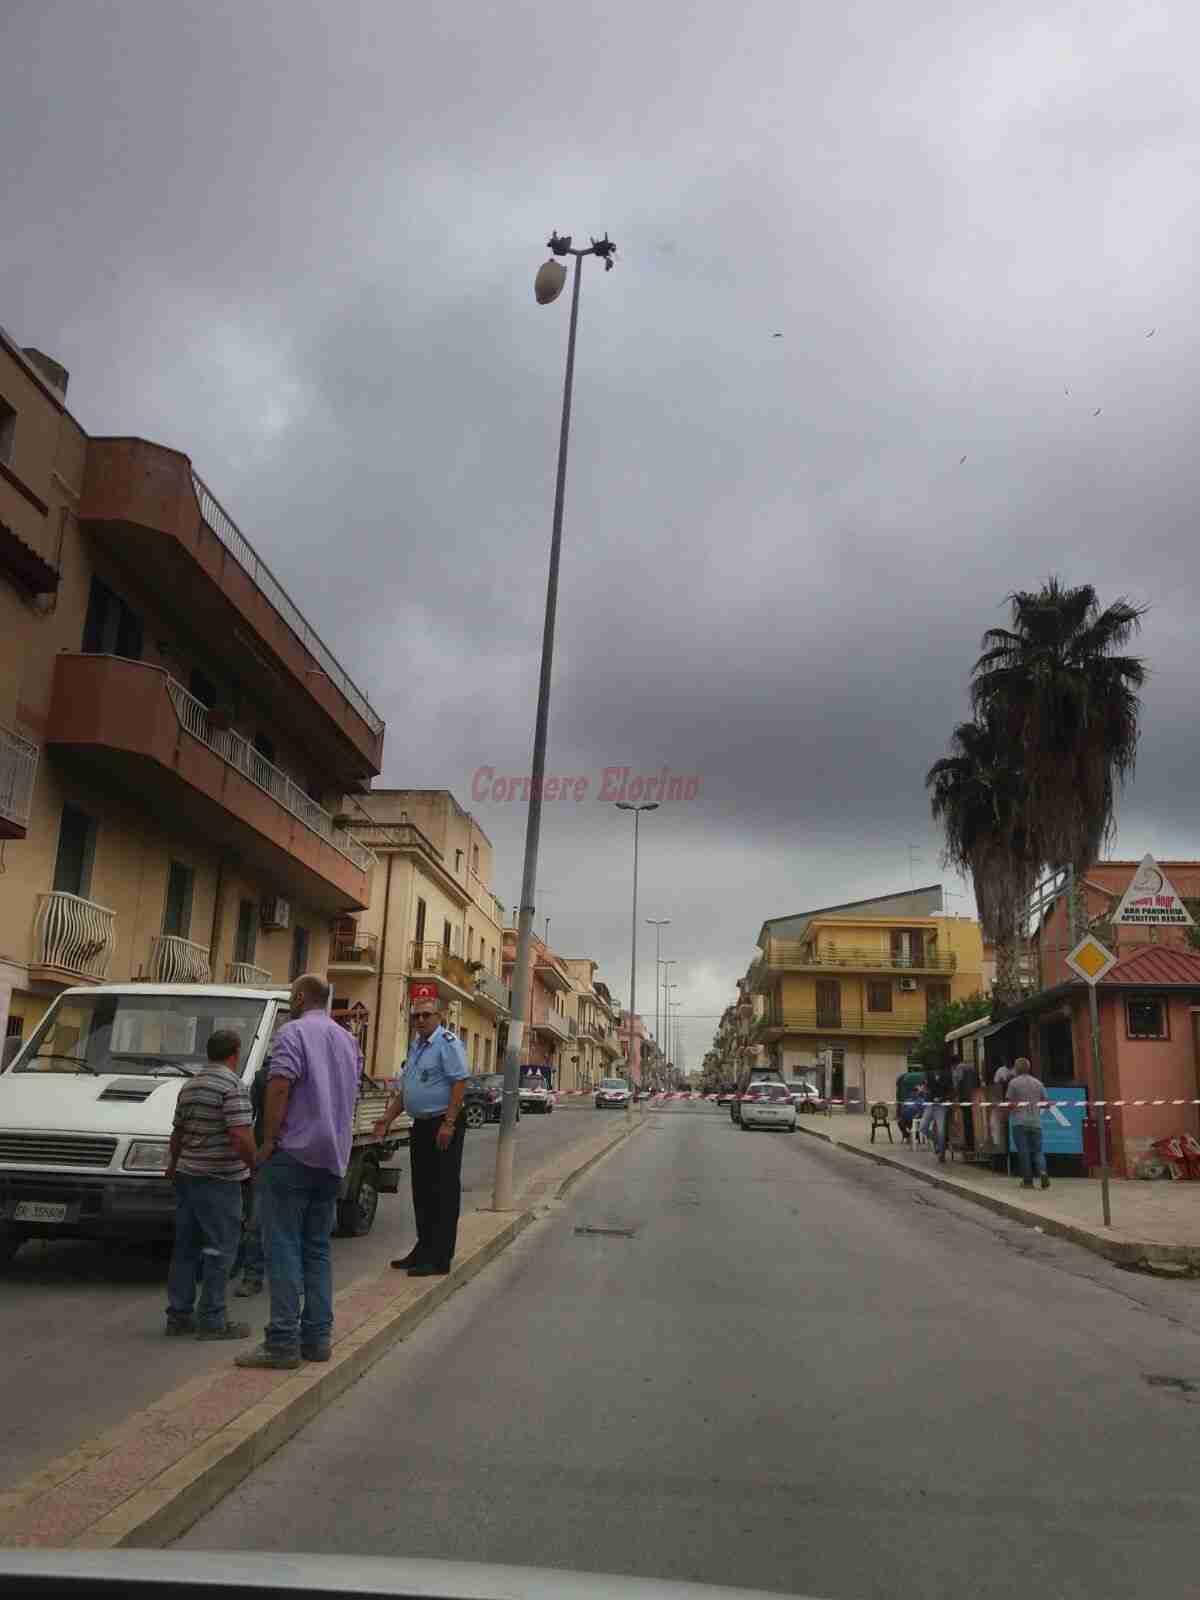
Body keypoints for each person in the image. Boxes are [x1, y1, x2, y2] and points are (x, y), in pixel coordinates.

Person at [236, 974, 362, 1371]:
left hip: (293, 1155)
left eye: (293, 994)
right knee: (317, 1249)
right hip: (332, 1159)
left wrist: (268, 1141)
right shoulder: (348, 1040)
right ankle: (317, 1339)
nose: (291, 999)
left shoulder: (291, 1033)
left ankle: (282, 1343)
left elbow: (278, 1087)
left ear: (302, 996)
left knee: (284, 1248)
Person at [164, 1029, 256, 1340]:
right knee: (221, 1249)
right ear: (235, 1053)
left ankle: (178, 1316)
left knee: (186, 1248)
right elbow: (241, 1135)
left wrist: (172, 1166)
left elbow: (177, 1133)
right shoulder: (233, 1086)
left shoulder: (191, 1085)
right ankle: (213, 1320)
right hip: (219, 1179)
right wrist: (256, 1167)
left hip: (188, 1175)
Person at [374, 997, 468, 1277]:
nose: (421, 1020)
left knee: (443, 1191)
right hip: (421, 1125)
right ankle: (424, 1247)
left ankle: (440, 1258)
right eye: (416, 1016)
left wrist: (449, 1123)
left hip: (442, 1123)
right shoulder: (416, 1046)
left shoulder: (447, 1043)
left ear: (439, 1016)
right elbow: (408, 1089)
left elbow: (459, 1082)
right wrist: (387, 1119)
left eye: (426, 1015)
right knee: (422, 1190)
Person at [230, 1055, 270, 1297]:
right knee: (257, 1219)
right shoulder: (264, 1077)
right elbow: (248, 1114)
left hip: (279, 1154)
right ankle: (252, 1275)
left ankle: (252, 1276)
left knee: (257, 1219)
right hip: (270, 1154)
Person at [1007, 1056, 1050, 1189]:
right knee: (1038, 1151)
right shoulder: (1038, 1083)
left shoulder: (1013, 1083)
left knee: (1024, 1152)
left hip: (1019, 1122)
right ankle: (1043, 1172)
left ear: (1016, 1069)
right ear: (1028, 1068)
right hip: (1036, 1122)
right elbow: (1046, 1104)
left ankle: (1027, 1181)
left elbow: (1009, 1103)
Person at [924, 1056, 954, 1163]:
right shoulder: (929, 1074)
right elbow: (927, 1088)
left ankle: (942, 1154)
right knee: (923, 1128)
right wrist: (927, 1094)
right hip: (931, 1104)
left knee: (941, 1130)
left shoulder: (947, 1074)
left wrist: (942, 1098)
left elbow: (950, 1090)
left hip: (941, 1105)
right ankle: (938, 1143)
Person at [895, 1064, 927, 1143]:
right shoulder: (911, 1097)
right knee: (903, 1122)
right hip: (911, 1116)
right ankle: (911, 1136)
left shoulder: (921, 1099)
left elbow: (922, 1110)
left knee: (906, 1123)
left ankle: (911, 1136)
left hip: (914, 1117)